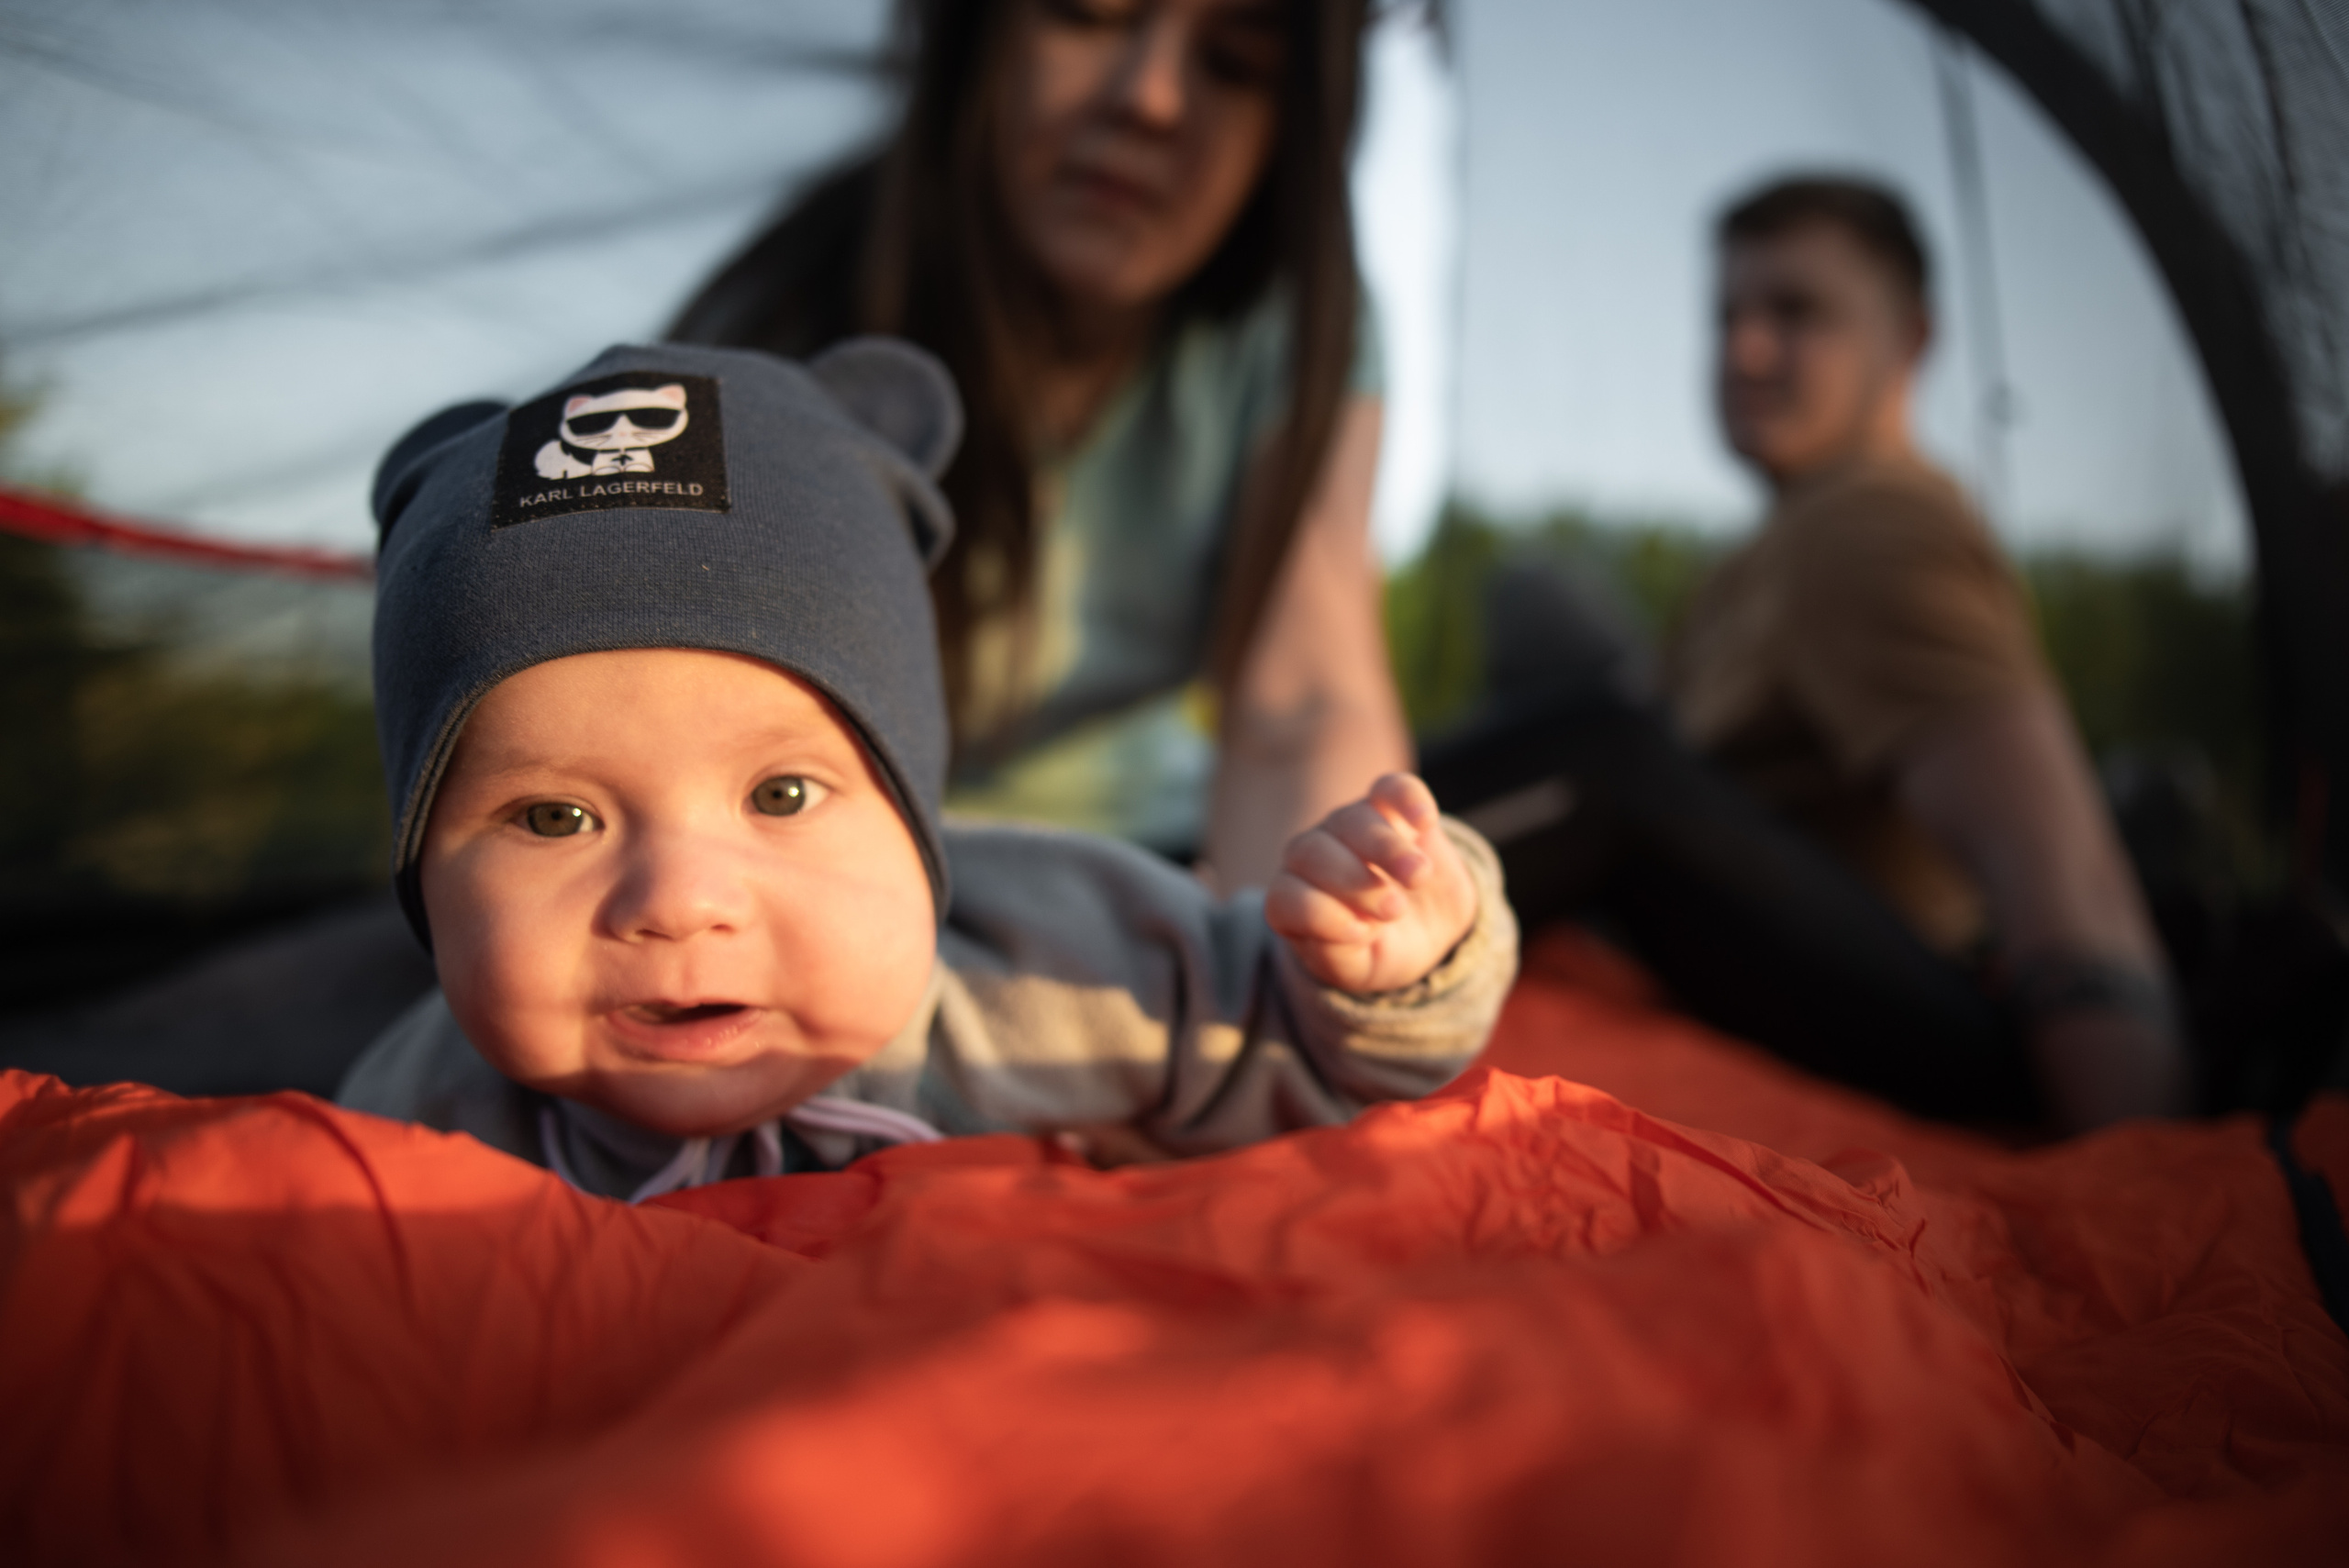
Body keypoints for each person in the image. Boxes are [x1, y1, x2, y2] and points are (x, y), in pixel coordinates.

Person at [337, 341, 1514, 1198]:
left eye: (782, 795)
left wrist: (1394, 960)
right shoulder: (414, 1123)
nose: (680, 900)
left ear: (913, 813)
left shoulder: (1050, 979)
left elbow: (1293, 1044)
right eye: (555, 814)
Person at [1423, 176, 2188, 1133]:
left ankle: (1233, 892)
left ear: (1909, 341)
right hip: (1728, 934)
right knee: (1541, 603)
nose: (1744, 348)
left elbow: (2063, 869)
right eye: (1727, 315)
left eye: (1795, 312)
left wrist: (2125, 1162)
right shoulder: (1761, 552)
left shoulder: (1878, 526)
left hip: (1932, 1044)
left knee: (1601, 754)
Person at [669, 0, 1409, 890]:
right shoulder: (789, 316)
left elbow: (1302, 709)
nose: (1151, 99)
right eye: (1088, 14)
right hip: (847, 881)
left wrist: (1305, 969)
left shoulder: (1290, 326)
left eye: (1236, 62)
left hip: (1142, 869)